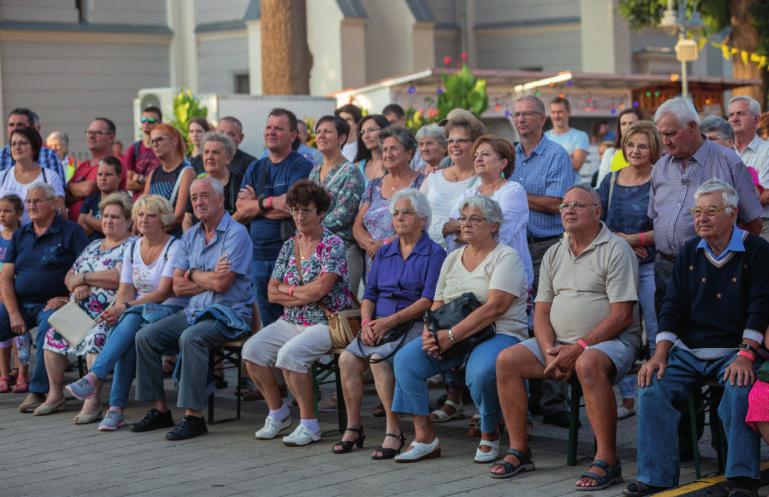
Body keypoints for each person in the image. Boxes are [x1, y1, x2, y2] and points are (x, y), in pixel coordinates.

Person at [626, 179, 769, 497]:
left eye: (711, 211)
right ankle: (656, 476)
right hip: (689, 350)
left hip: (736, 349)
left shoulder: (756, 249)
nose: (701, 218)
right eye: (697, 212)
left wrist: (746, 354)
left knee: (739, 388)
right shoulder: (689, 250)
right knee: (651, 384)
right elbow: (672, 306)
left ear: (732, 214)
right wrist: (659, 353)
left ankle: (743, 479)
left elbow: (761, 306)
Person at [493, 185, 639, 491]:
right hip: (558, 344)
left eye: (577, 205)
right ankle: (520, 450)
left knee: (587, 364)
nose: (568, 211)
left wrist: (580, 347)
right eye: (564, 206)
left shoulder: (616, 249)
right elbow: (542, 313)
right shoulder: (555, 252)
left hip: (610, 343)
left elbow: (622, 315)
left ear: (597, 211)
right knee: (507, 360)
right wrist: (548, 351)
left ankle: (608, 460)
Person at [391, 195, 528, 463]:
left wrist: (451, 336)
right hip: (450, 336)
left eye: (475, 219)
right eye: (463, 218)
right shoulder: (453, 257)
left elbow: (495, 308)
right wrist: (431, 333)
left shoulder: (506, 257)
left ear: (494, 226)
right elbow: (439, 302)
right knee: (406, 361)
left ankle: (489, 432)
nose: (465, 224)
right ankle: (424, 438)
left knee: (481, 371)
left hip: (498, 332)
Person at [131, 176, 254, 441]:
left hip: (229, 315)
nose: (198, 202)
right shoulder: (190, 235)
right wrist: (205, 277)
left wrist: (192, 274)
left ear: (221, 200)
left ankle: (193, 417)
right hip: (194, 312)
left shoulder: (237, 234)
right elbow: (177, 286)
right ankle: (160, 409)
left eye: (205, 196)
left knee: (192, 337)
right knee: (145, 336)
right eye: (194, 197)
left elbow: (222, 284)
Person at [335, 189, 446, 458]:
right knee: (347, 360)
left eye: (406, 212)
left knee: (378, 360)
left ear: (423, 219)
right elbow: (370, 294)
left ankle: (393, 431)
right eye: (395, 213)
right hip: (377, 323)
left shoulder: (434, 253)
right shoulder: (385, 252)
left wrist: (387, 323)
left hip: (413, 323)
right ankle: (353, 427)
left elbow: (427, 300)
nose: (398, 218)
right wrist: (366, 322)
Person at [243, 180, 352, 446]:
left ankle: (309, 423)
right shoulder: (289, 246)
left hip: (326, 321)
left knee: (290, 355)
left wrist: (289, 292)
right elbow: (271, 292)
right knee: (251, 351)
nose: (299, 217)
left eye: (306, 210)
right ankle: (278, 413)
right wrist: (298, 293)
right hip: (292, 319)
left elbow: (321, 291)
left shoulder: (333, 244)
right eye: (294, 210)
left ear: (321, 212)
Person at [64, 195, 187, 431]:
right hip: (139, 312)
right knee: (127, 332)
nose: (144, 220)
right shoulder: (132, 247)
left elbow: (163, 293)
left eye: (151, 215)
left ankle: (100, 385)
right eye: (140, 215)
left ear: (164, 220)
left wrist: (125, 308)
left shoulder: (175, 246)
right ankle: (114, 408)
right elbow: (125, 290)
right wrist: (114, 311)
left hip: (170, 309)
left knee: (130, 319)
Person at [509, 95, 576, 427]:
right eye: (516, 114)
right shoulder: (511, 154)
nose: (520, 120)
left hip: (547, 246)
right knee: (518, 316)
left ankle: (553, 399)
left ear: (542, 119)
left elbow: (558, 203)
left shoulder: (556, 155)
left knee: (548, 317)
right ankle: (528, 393)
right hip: (514, 246)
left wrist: (516, 195)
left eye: (527, 115)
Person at [38, 193, 133, 419]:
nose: (108, 221)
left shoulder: (130, 246)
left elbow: (116, 277)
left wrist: (85, 278)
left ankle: (92, 402)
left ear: (129, 221)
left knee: (94, 340)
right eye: (105, 216)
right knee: (53, 335)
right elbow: (69, 275)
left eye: (115, 217)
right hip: (80, 311)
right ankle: (55, 394)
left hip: (108, 314)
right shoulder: (93, 245)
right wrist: (76, 285)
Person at [4, 184, 89, 413]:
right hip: (21, 304)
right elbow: (5, 278)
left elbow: (88, 269)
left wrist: (67, 298)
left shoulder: (71, 232)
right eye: (29, 201)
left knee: (50, 325)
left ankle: (39, 390)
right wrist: (12, 313)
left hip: (57, 303)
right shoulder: (21, 234)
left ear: (53, 204)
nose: (31, 206)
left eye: (37, 201)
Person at [597, 121, 660, 420]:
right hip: (617, 267)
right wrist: (622, 244)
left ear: (653, 150)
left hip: (650, 266)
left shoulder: (660, 179)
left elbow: (670, 225)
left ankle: (657, 390)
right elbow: (597, 220)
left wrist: (636, 240)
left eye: (642, 145)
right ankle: (627, 398)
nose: (635, 150)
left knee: (656, 328)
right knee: (618, 329)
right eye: (631, 144)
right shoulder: (610, 180)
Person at [237, 108, 314, 328]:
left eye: (278, 128)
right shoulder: (256, 167)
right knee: (269, 323)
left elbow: (295, 208)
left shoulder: (301, 165)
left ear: (293, 135)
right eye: (269, 127)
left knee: (294, 321)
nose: (271, 132)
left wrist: (256, 206)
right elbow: (241, 210)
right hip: (258, 256)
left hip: (290, 255)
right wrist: (270, 202)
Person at [450, 135, 533, 286]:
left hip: (507, 272)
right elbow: (449, 229)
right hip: (471, 271)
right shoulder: (468, 193)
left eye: (485, 154)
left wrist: (462, 231)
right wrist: (480, 228)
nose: (478, 159)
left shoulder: (513, 191)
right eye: (476, 156)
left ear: (503, 163)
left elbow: (499, 235)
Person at [353, 126, 424, 275]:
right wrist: (371, 246)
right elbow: (357, 226)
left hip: (406, 260)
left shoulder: (422, 183)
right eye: (384, 150)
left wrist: (385, 246)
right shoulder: (374, 185)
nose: (388, 154)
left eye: (393, 149)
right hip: (373, 263)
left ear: (409, 153)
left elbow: (421, 223)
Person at [308, 115, 365, 293]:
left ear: (341, 138)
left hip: (342, 252)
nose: (321, 136)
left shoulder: (350, 171)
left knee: (341, 314)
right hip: (314, 251)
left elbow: (343, 214)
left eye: (327, 131)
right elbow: (305, 207)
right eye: (318, 132)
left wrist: (309, 227)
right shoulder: (315, 171)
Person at [423, 109, 481, 249]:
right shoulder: (435, 176)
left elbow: (485, 230)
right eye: (450, 141)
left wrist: (453, 232)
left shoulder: (483, 180)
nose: (454, 145)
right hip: (428, 255)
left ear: (476, 144)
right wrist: (444, 229)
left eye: (462, 141)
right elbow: (415, 215)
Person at [0, 126, 65, 225]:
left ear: (34, 148)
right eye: (13, 144)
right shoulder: (2, 177)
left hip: (40, 238)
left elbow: (61, 214)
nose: (17, 147)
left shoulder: (50, 177)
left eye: (23, 143)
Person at [727, 96, 769, 241]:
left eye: (740, 113)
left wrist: (726, 202)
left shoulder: (767, 150)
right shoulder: (724, 152)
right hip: (727, 226)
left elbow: (767, 194)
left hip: (762, 226)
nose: (734, 118)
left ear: (756, 120)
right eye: (731, 114)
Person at [183, 132, 242, 231]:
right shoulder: (197, 184)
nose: (209, 157)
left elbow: (242, 213)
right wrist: (190, 240)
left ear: (228, 158)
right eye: (206, 152)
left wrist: (214, 235)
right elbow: (187, 220)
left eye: (215, 152)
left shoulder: (240, 181)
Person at [143, 123, 195, 234]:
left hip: (173, 237)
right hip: (153, 235)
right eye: (152, 141)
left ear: (174, 141)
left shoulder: (187, 172)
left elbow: (179, 215)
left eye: (159, 139)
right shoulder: (153, 173)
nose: (155, 144)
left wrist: (155, 231)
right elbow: (143, 207)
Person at [67, 118, 118, 221]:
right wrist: (70, 188)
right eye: (89, 132)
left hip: (98, 230)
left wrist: (70, 187)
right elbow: (65, 195)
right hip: (76, 230)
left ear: (111, 137)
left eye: (98, 133)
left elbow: (89, 189)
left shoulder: (113, 163)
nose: (91, 136)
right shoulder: (82, 166)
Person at [0, 194, 24, 392]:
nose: (2, 215)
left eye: (7, 211)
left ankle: (21, 372)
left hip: (19, 292)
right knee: (3, 337)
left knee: (20, 336)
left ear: (18, 214)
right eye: (0, 211)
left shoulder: (23, 236)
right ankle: (4, 373)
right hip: (2, 293)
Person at [0, 108, 65, 181]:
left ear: (33, 128)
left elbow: (58, 189)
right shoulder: (1, 155)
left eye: (20, 125)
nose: (15, 128)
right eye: (11, 125)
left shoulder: (49, 156)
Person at [78, 156, 123, 240]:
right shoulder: (91, 199)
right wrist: (98, 225)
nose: (103, 178)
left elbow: (115, 229)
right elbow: (80, 226)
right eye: (100, 174)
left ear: (119, 177)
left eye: (108, 174)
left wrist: (88, 220)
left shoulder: (124, 201)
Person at [596, 108, 644, 185]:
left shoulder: (649, 151)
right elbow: (601, 184)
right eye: (623, 124)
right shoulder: (610, 153)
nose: (627, 127)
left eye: (631, 123)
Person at [124, 106, 162, 200]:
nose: (146, 123)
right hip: (139, 204)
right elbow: (128, 184)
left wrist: (140, 180)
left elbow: (165, 181)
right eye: (143, 120)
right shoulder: (133, 149)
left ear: (160, 123)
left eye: (151, 120)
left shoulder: (164, 148)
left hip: (159, 202)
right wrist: (152, 183)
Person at [545, 97, 590, 173]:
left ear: (569, 112)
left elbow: (576, 165)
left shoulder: (580, 136)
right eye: (553, 112)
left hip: (571, 184)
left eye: (560, 112)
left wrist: (548, 157)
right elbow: (538, 164)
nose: (556, 116)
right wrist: (567, 157)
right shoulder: (543, 137)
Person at [353, 114, 390, 186]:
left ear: (385, 130)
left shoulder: (395, 165)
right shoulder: (357, 167)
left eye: (371, 130)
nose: (366, 136)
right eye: (362, 132)